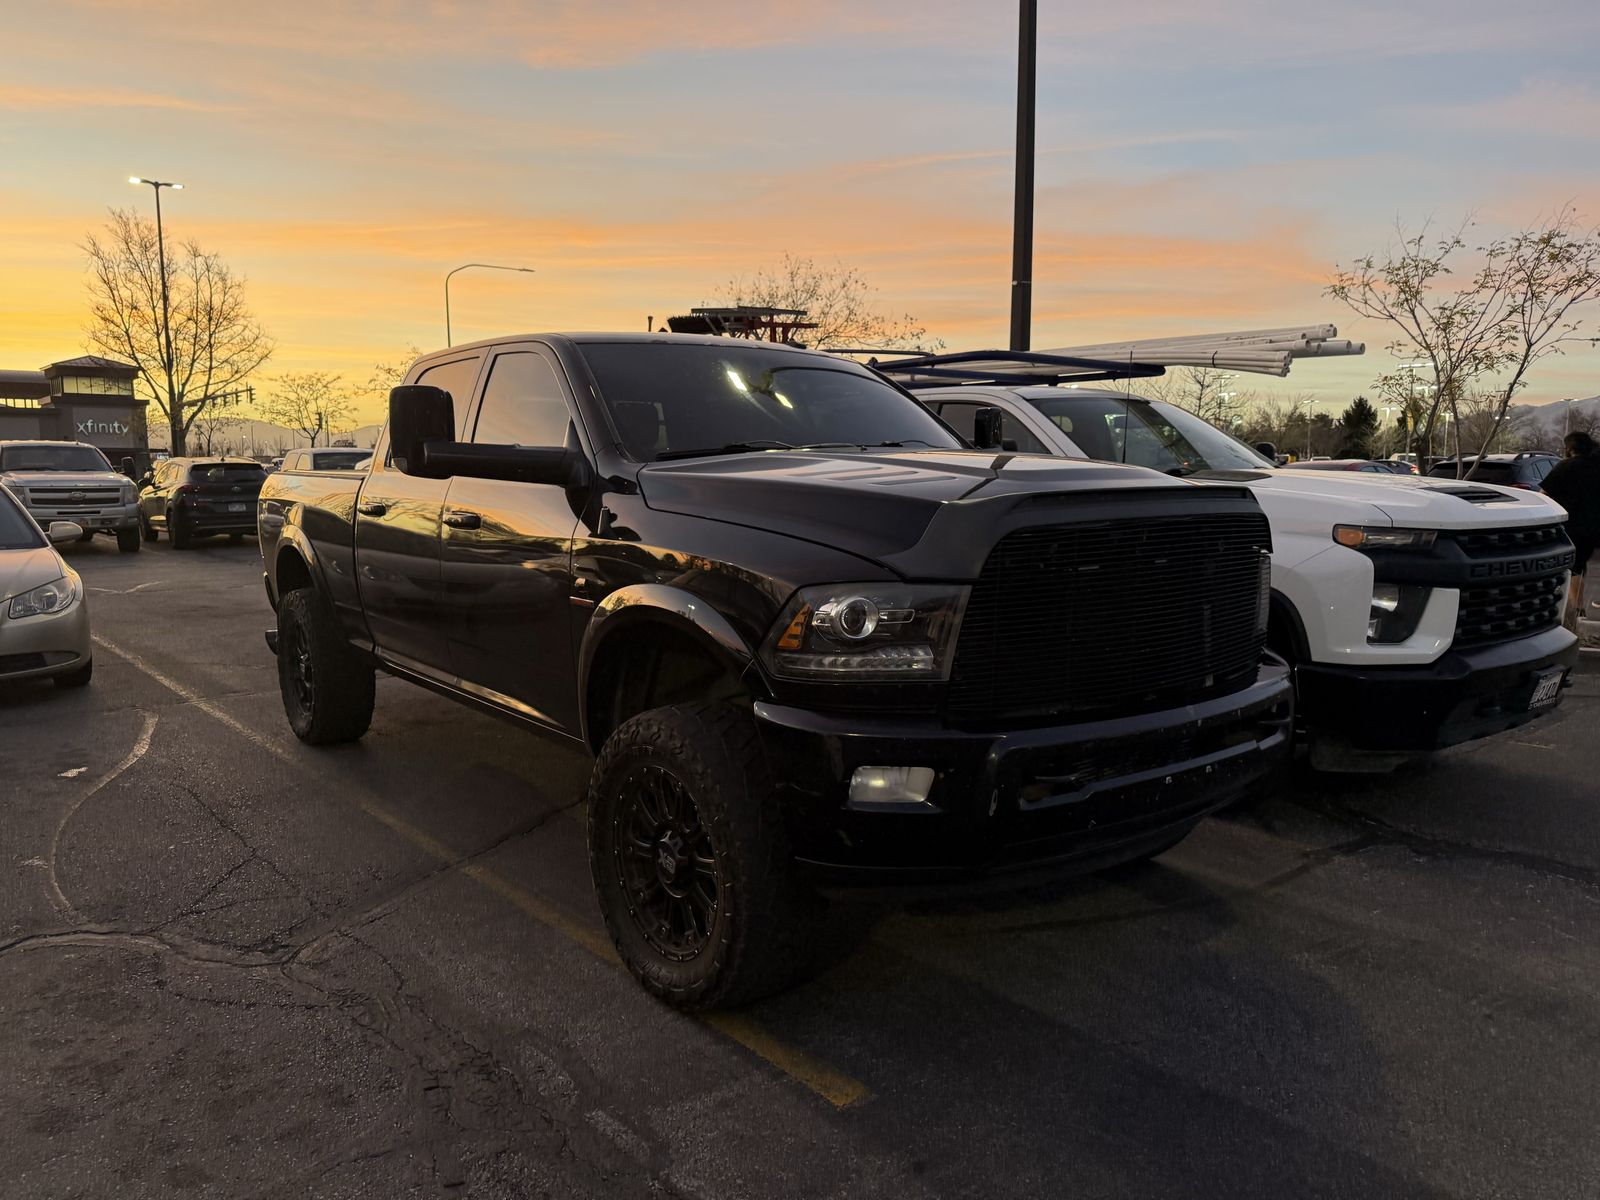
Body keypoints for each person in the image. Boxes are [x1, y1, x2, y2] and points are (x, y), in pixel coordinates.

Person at [1541, 430, 1600, 630]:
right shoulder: (1596, 466)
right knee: (1583, 564)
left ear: (1569, 449)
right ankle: (1581, 608)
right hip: (1595, 524)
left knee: (1575, 566)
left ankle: (1576, 610)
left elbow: (1544, 494)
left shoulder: (1566, 467)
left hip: (1572, 524)